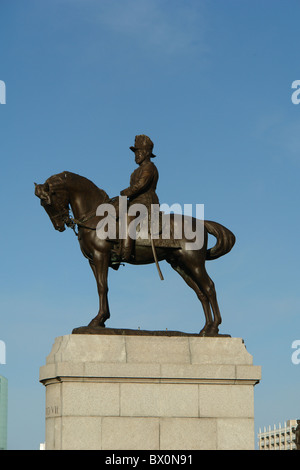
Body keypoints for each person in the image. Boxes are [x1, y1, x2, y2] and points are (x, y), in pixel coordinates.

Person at [120, 134, 159, 261]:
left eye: (139, 152)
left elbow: (141, 185)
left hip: (146, 203)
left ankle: (125, 252)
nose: (136, 155)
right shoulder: (135, 172)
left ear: (147, 153)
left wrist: (126, 192)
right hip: (135, 203)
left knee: (128, 216)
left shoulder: (150, 167)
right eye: (135, 152)